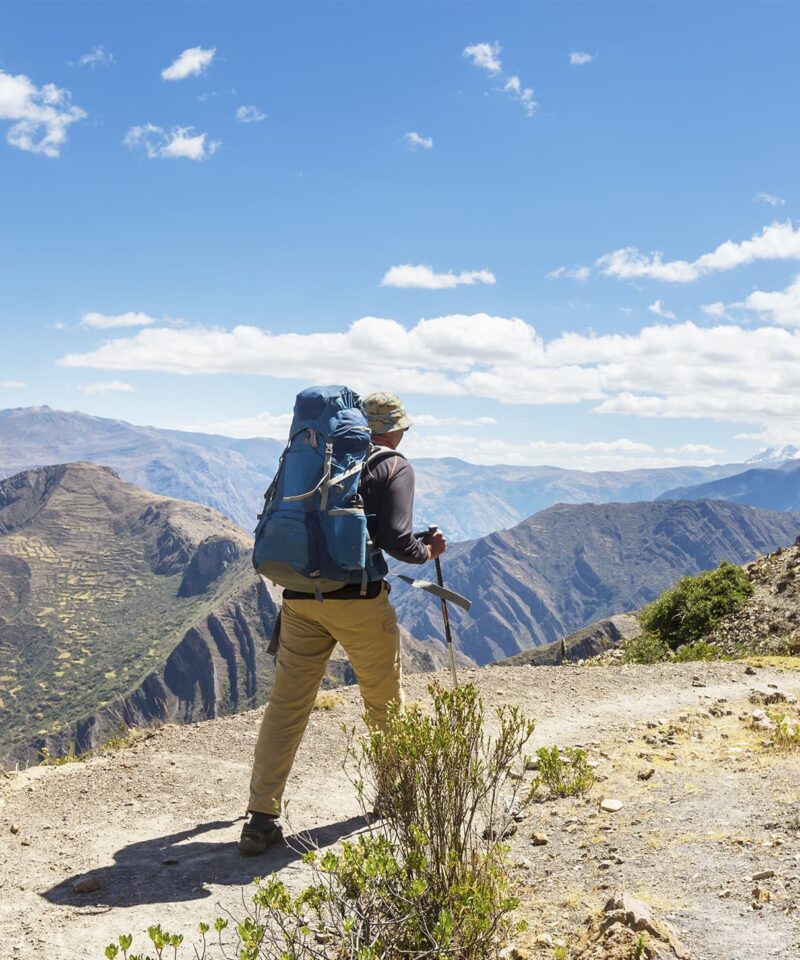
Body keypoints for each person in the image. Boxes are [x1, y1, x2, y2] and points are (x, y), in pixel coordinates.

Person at [239, 391, 447, 855]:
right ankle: (396, 795)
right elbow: (396, 542)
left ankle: (260, 817)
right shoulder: (393, 466)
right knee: (383, 701)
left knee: (287, 707)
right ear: (395, 428)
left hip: (300, 599)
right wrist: (427, 550)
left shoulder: (320, 457)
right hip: (357, 602)